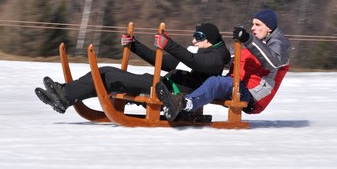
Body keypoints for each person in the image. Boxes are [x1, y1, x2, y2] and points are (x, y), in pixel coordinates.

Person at [35, 23, 231, 114]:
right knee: (105, 72)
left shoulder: (217, 56)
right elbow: (163, 62)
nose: (193, 40)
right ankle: (64, 93)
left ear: (210, 39)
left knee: (110, 77)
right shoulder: (200, 53)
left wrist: (169, 44)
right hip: (162, 84)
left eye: (198, 36)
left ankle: (65, 96)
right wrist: (134, 45)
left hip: (171, 92)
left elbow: (196, 63)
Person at [155, 9, 291, 121]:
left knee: (215, 82)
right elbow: (226, 57)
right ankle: (174, 104)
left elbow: (273, 62)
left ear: (269, 27)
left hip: (253, 96)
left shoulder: (278, 44)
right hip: (237, 85)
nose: (252, 28)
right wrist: (204, 47)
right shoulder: (255, 44)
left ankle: (185, 104)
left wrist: (248, 39)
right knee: (201, 76)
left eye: (257, 24)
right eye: (252, 24)